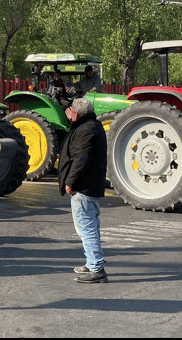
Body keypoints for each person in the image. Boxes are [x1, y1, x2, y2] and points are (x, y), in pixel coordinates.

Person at [58, 97, 108, 283]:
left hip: (84, 187)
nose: (68, 113)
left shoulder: (86, 129)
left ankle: (96, 268)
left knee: (86, 228)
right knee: (89, 226)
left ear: (76, 113)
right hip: (90, 185)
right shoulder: (92, 126)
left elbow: (81, 158)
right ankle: (92, 262)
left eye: (70, 110)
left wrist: (70, 181)